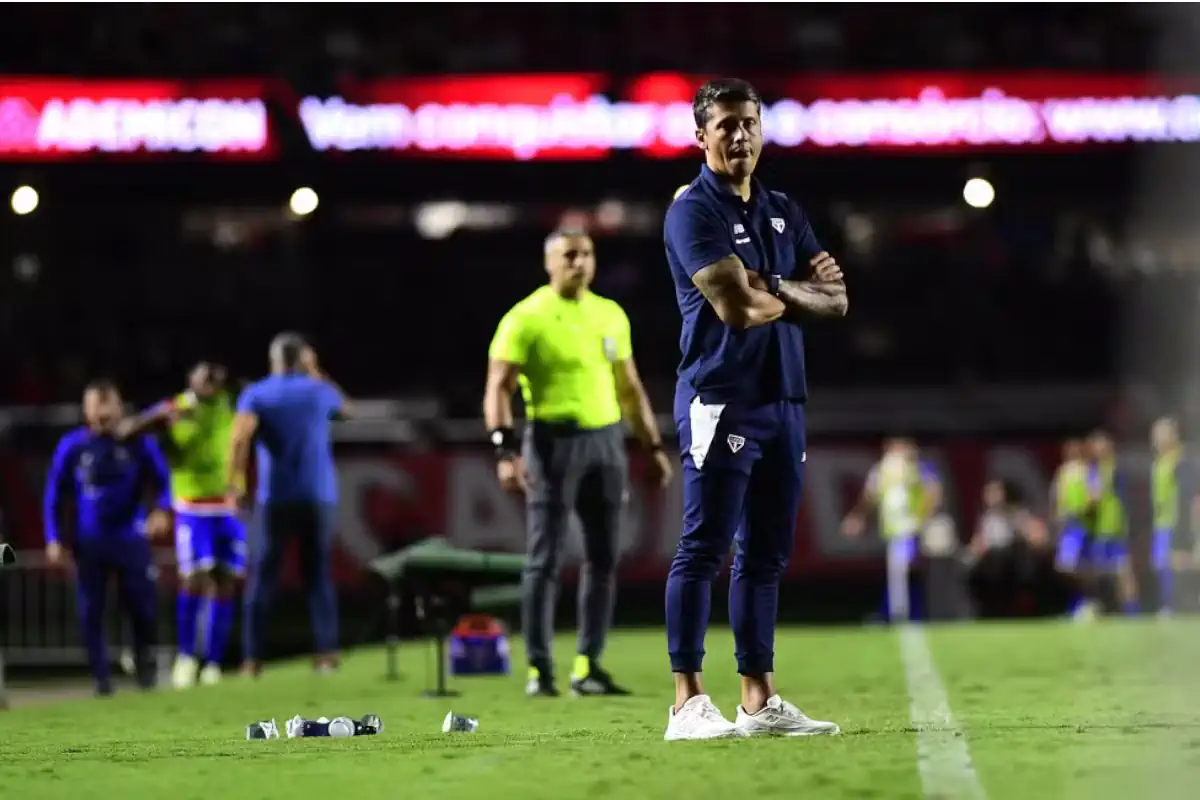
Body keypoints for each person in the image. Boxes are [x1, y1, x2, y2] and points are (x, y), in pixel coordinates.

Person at [661, 77, 847, 741]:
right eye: (726, 125)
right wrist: (788, 292)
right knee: (703, 548)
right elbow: (736, 309)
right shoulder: (692, 211)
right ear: (700, 135)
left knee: (765, 555)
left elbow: (839, 300)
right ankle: (686, 704)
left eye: (750, 123)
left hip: (783, 399)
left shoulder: (782, 207)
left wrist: (774, 287)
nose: (740, 135)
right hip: (721, 395)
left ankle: (758, 702)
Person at [485, 228, 673, 698]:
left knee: (604, 556)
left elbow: (628, 385)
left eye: (587, 254)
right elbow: (498, 389)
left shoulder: (609, 314)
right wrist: (505, 451)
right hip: (552, 441)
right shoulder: (525, 318)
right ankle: (539, 668)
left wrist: (650, 446)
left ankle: (588, 665)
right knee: (544, 557)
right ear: (549, 262)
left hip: (606, 442)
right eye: (569, 255)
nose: (580, 263)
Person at [229, 334, 350, 676]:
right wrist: (318, 372)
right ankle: (326, 653)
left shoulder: (257, 393)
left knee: (263, 577)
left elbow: (240, 438)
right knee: (318, 576)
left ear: (274, 359)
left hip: (275, 498)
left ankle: (252, 659)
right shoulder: (317, 390)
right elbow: (347, 410)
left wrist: (236, 483)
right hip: (318, 496)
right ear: (302, 359)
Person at [43, 379, 173, 695]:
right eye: (96, 407)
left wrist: (162, 511)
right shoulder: (73, 446)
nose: (103, 414)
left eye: (108, 406)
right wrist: (54, 538)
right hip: (89, 542)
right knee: (90, 611)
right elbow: (53, 495)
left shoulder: (138, 442)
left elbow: (165, 482)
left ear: (118, 407)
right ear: (87, 411)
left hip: (131, 538)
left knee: (142, 607)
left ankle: (145, 671)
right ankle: (102, 680)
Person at [118, 362, 243, 688]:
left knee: (225, 580)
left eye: (216, 378)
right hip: (192, 508)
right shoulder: (177, 408)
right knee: (193, 579)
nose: (211, 383)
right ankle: (187, 657)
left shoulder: (227, 404)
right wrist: (158, 419)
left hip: (225, 506)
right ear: (191, 380)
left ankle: (214, 662)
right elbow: (127, 431)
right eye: (204, 378)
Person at [841, 438, 941, 623]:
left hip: (910, 527)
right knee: (899, 571)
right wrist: (858, 517)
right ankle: (901, 612)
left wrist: (923, 516)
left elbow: (933, 491)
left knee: (903, 570)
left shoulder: (915, 468)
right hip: (895, 528)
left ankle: (901, 613)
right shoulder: (884, 470)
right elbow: (870, 496)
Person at [1149, 417, 1194, 614]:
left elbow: (1189, 494)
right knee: (1163, 565)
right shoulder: (1159, 463)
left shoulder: (1181, 460)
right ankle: (1169, 605)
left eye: (1161, 434)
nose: (1157, 439)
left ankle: (1177, 605)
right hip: (1162, 522)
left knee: (1181, 564)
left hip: (1178, 521)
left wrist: (1187, 523)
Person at [1086, 430, 1133, 615]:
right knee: (1100, 572)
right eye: (1096, 445)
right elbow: (1092, 499)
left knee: (1123, 571)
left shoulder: (1116, 468)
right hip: (1100, 528)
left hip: (1116, 527)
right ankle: (1104, 607)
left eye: (1102, 444)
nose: (1099, 448)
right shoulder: (1093, 471)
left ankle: (1132, 611)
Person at [1051, 438, 1096, 618]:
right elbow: (1057, 497)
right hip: (1067, 526)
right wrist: (1058, 515)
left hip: (1082, 524)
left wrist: (1083, 509)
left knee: (1080, 567)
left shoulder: (1087, 471)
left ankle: (1085, 604)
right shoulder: (1062, 472)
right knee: (1067, 567)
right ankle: (1077, 603)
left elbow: (1093, 495)